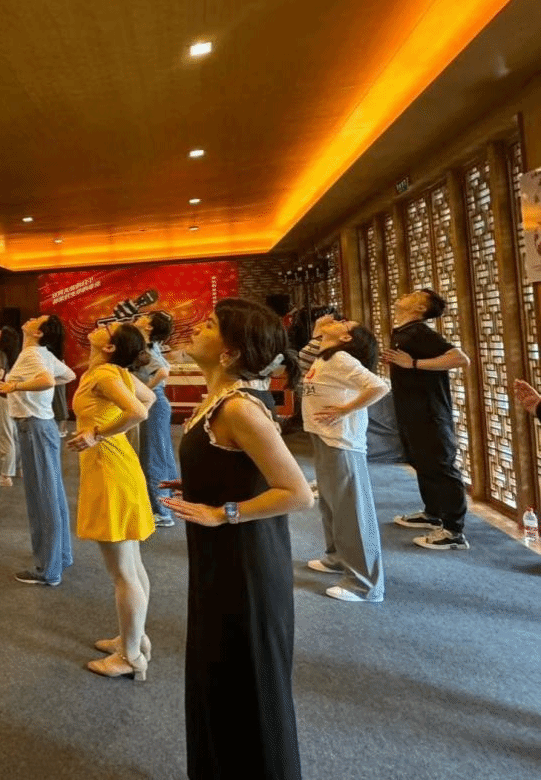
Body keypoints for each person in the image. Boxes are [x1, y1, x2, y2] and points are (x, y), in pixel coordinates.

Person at [162, 298, 314, 780]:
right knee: (219, 671)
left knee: (245, 677)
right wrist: (202, 483)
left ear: (228, 353)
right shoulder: (220, 399)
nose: (196, 329)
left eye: (208, 325)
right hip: (220, 556)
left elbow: (297, 493)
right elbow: (242, 468)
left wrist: (223, 511)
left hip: (246, 563)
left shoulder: (239, 408)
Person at [68, 323, 156, 678]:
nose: (101, 325)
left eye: (108, 328)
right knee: (131, 563)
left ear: (109, 347)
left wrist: (97, 432)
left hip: (109, 466)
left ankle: (130, 657)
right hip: (115, 462)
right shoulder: (113, 372)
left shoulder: (105, 374)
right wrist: (105, 430)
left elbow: (140, 411)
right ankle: (134, 638)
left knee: (122, 571)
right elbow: (147, 398)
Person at [301, 318, 389, 602]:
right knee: (331, 504)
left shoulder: (341, 358)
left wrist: (344, 409)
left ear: (347, 338)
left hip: (342, 442)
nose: (336, 320)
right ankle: (337, 557)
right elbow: (310, 347)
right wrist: (320, 329)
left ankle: (365, 585)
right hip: (323, 436)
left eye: (343, 322)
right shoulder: (325, 356)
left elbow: (379, 387)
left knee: (351, 511)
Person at [381, 289, 472, 551]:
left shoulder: (420, 331)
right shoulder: (404, 331)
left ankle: (454, 531)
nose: (406, 294)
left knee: (441, 465)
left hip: (431, 412)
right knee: (423, 462)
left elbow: (460, 358)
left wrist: (414, 364)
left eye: (415, 294)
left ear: (420, 308)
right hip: (411, 410)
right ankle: (433, 513)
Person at [0, 313, 77, 586]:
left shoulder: (32, 355)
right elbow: (68, 375)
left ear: (39, 332)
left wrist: (15, 386)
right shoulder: (42, 353)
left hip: (35, 428)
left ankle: (48, 569)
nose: (31, 318)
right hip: (40, 426)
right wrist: (29, 391)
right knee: (51, 494)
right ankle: (60, 556)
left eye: (37, 319)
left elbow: (49, 380)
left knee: (42, 498)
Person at [131, 311, 176, 527]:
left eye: (146, 317)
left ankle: (162, 512)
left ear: (149, 327)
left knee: (153, 456)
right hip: (158, 403)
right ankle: (168, 502)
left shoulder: (146, 348)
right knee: (161, 453)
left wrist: (146, 390)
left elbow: (164, 371)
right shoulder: (150, 345)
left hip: (155, 404)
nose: (140, 317)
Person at [0, 325, 21, 487]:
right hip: (11, 397)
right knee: (14, 434)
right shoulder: (15, 355)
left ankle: (5, 475)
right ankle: (17, 467)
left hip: (1, 397)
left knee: (5, 436)